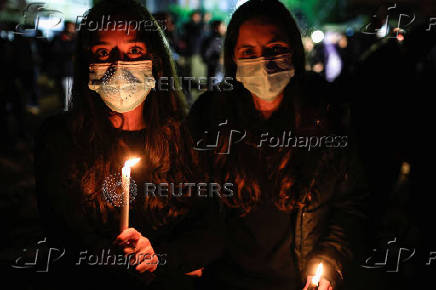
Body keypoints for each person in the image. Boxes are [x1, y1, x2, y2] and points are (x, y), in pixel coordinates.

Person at [34, 1, 216, 288]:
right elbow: (63, 236)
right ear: (87, 65)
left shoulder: (188, 137)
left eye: (134, 51)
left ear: (155, 61)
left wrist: (160, 258)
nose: (119, 66)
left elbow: (209, 228)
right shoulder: (60, 139)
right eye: (104, 52)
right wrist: (117, 260)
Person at [187, 1, 367, 290]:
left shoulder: (328, 114)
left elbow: (351, 205)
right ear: (233, 57)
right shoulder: (209, 116)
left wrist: (329, 259)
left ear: (294, 51)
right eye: (249, 52)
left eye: (275, 49)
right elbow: (186, 196)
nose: (264, 62)